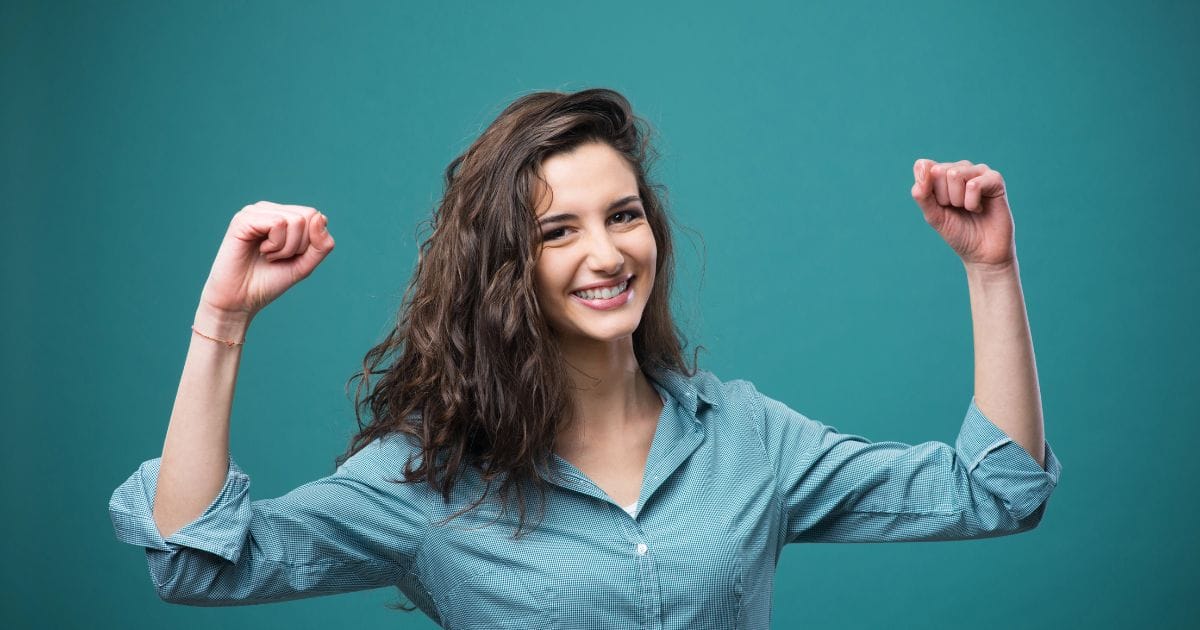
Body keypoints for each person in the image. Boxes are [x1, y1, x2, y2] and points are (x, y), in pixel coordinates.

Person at [109, 88, 1061, 628]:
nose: (606, 254)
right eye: (557, 231)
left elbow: (996, 490)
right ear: (502, 268)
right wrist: (221, 325)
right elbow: (199, 562)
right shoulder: (430, 482)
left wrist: (990, 272)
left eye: (624, 215)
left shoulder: (746, 441)